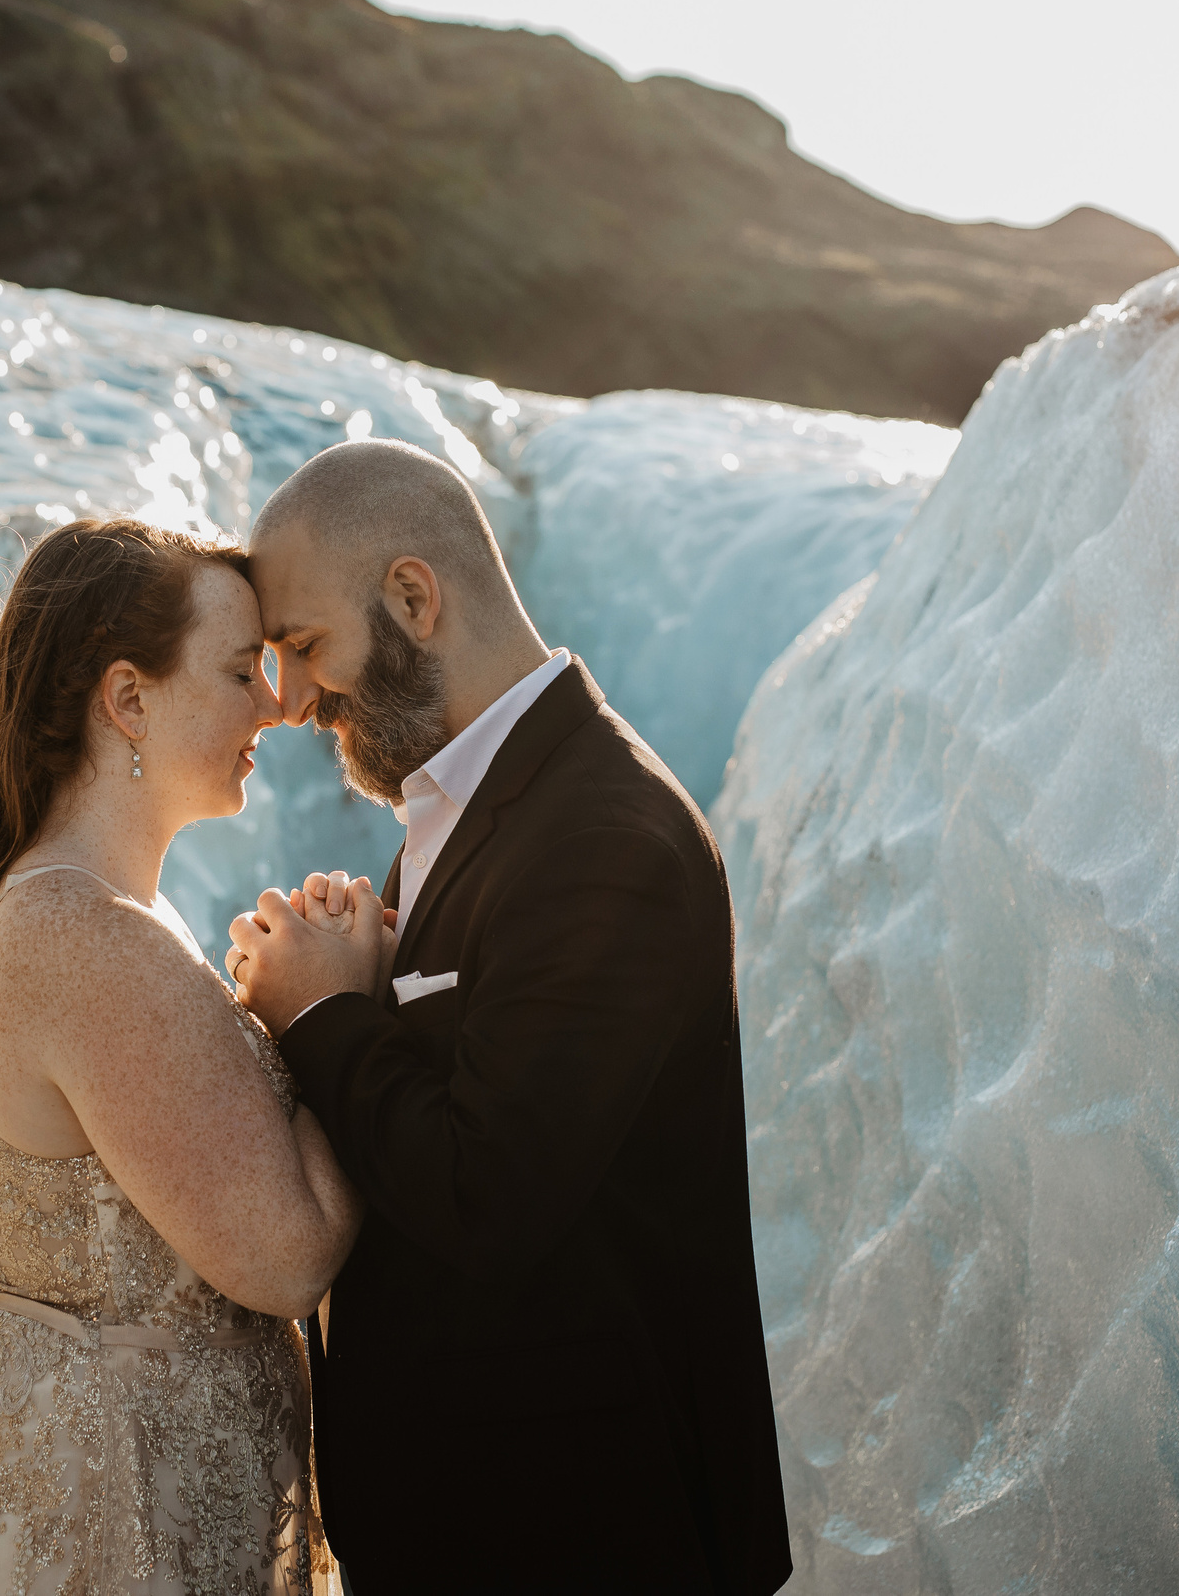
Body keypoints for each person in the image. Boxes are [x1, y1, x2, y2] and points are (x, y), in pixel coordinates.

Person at [225, 440, 793, 1593]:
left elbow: (487, 1193)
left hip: (580, 1531)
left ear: (411, 599)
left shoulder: (603, 841)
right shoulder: (469, 804)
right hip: (486, 1521)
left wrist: (327, 1010)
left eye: (303, 645)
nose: (287, 699)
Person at [0, 518, 363, 1596]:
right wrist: (330, 1011)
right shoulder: (85, 938)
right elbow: (289, 1256)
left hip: (116, 1495)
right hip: (106, 1519)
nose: (274, 702)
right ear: (127, 701)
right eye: (236, 671)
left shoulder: (100, 915)